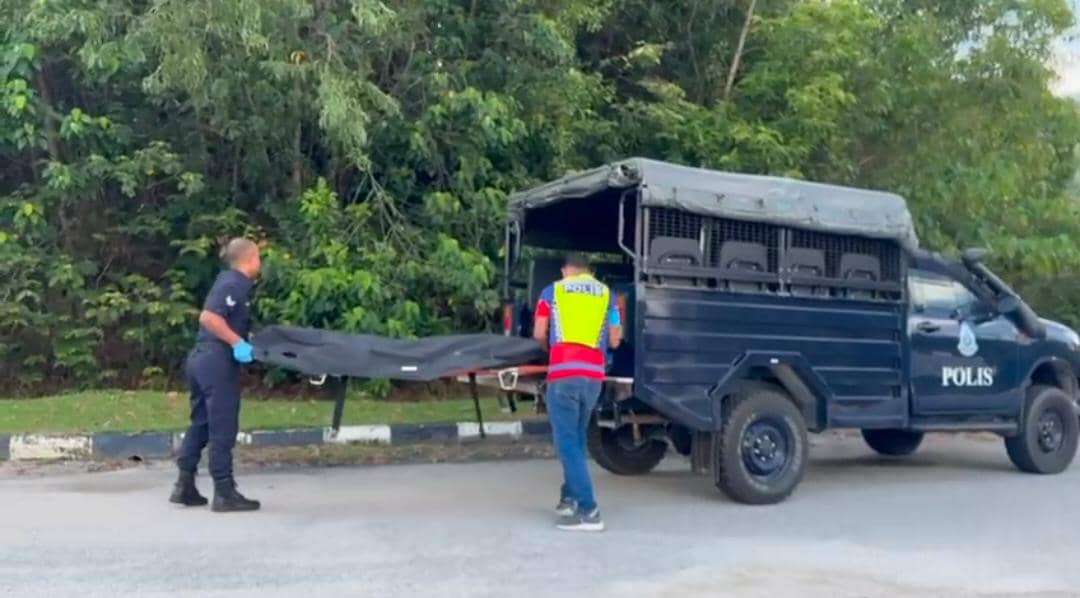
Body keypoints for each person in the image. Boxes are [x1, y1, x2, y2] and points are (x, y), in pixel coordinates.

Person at [169, 238, 262, 512]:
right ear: (249, 259)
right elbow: (209, 318)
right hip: (215, 359)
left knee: (202, 423)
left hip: (202, 358)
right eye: (258, 257)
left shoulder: (233, 283)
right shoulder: (233, 283)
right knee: (222, 424)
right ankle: (224, 491)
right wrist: (237, 343)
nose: (260, 263)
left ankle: (184, 484)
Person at [533, 254, 622, 532]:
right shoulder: (608, 295)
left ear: (565, 270)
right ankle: (569, 497)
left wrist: (550, 352)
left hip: (563, 376)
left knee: (567, 444)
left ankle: (589, 511)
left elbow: (538, 332)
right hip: (593, 378)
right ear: (589, 271)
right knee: (577, 439)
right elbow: (616, 337)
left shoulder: (553, 291)